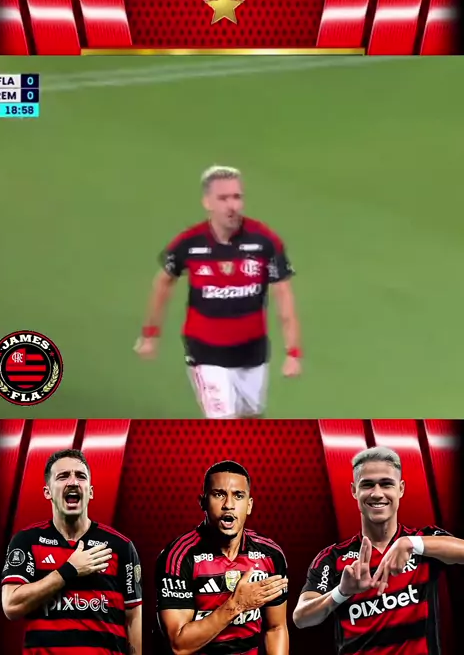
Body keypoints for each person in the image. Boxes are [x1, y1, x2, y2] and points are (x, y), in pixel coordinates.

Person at [134, 165, 302, 418]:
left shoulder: (264, 241)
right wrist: (150, 334)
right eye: (223, 198)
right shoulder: (189, 243)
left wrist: (293, 352)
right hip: (206, 354)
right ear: (207, 202)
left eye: (237, 197)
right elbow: (163, 284)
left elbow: (284, 296)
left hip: (252, 353)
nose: (232, 206)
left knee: (252, 419)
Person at [293, 446, 464, 654]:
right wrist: (341, 592)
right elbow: (301, 618)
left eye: (386, 484)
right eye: (367, 485)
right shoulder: (332, 557)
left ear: (401, 489)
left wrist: (411, 543)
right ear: (354, 491)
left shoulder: (424, 541)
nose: (376, 493)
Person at [1, 448, 142, 655]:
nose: (73, 482)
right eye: (63, 476)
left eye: (81, 476)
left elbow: (133, 617)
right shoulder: (27, 541)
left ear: (90, 492)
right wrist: (68, 571)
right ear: (47, 492)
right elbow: (11, 606)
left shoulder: (120, 545)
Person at [155, 460, 288, 655]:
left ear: (249, 505)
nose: (228, 505)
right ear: (203, 502)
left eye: (238, 496)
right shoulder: (178, 557)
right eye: (219, 494)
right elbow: (179, 645)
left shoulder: (270, 555)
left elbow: (276, 628)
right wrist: (237, 605)